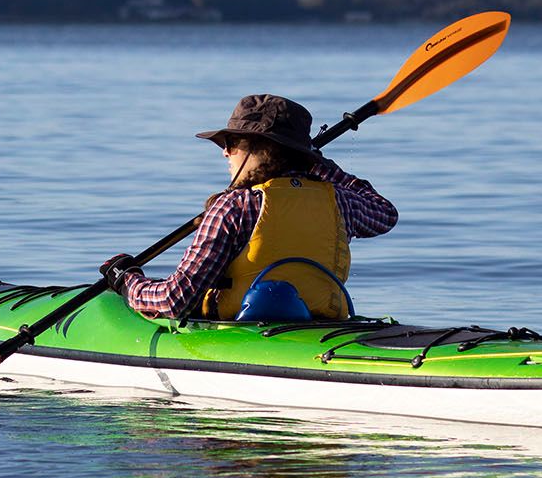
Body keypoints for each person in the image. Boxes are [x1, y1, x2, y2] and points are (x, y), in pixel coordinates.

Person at [101, 93, 397, 322]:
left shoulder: (235, 207)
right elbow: (384, 213)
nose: (225, 152)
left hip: (243, 328)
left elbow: (174, 301)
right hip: (319, 326)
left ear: (259, 149)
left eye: (230, 142)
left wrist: (128, 282)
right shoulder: (340, 201)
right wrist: (320, 165)